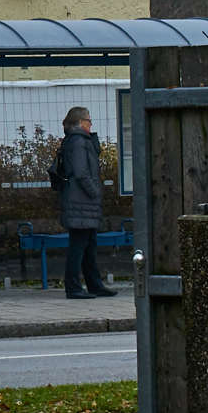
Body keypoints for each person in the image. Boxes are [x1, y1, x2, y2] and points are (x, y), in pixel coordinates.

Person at [56, 105, 117, 298]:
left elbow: (94, 152)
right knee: (79, 244)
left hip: (80, 201)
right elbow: (81, 172)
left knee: (89, 244)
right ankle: (73, 287)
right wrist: (95, 191)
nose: (91, 124)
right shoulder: (78, 142)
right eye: (88, 120)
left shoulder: (78, 140)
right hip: (81, 201)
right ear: (80, 122)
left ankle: (94, 284)